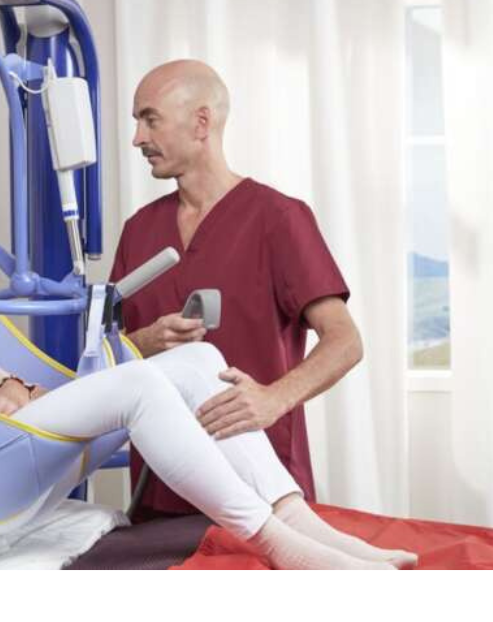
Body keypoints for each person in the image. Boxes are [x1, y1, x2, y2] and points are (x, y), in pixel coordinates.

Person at [0, 130, 415, 569]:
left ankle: (310, 527)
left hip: (2, 419)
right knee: (138, 387)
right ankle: (276, 543)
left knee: (197, 360)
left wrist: (7, 383)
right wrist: (0, 399)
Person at [111, 59, 361, 518]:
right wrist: (143, 343)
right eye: (137, 123)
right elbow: (101, 360)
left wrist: (273, 399)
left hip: (262, 492)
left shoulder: (278, 219)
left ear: (201, 122)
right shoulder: (138, 231)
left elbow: (345, 342)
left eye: (150, 119)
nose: (138, 139)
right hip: (158, 498)